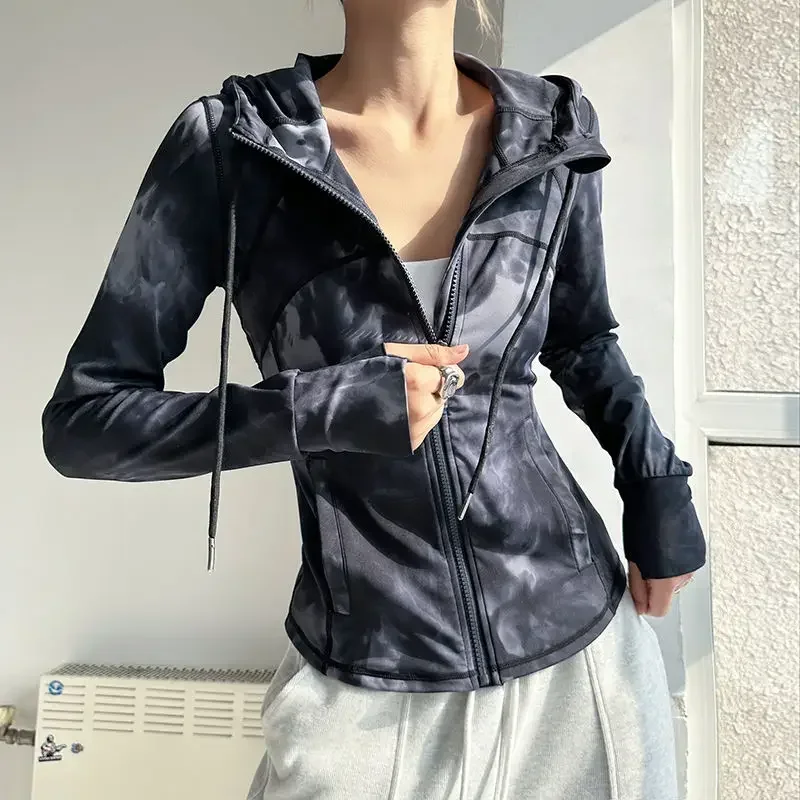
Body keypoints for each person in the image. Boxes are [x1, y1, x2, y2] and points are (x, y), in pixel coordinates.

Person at [41, 0, 707, 797]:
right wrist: (317, 410)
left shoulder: (548, 129)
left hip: (580, 655)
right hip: (365, 692)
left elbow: (582, 336)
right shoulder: (237, 143)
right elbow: (84, 422)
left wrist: (654, 478)